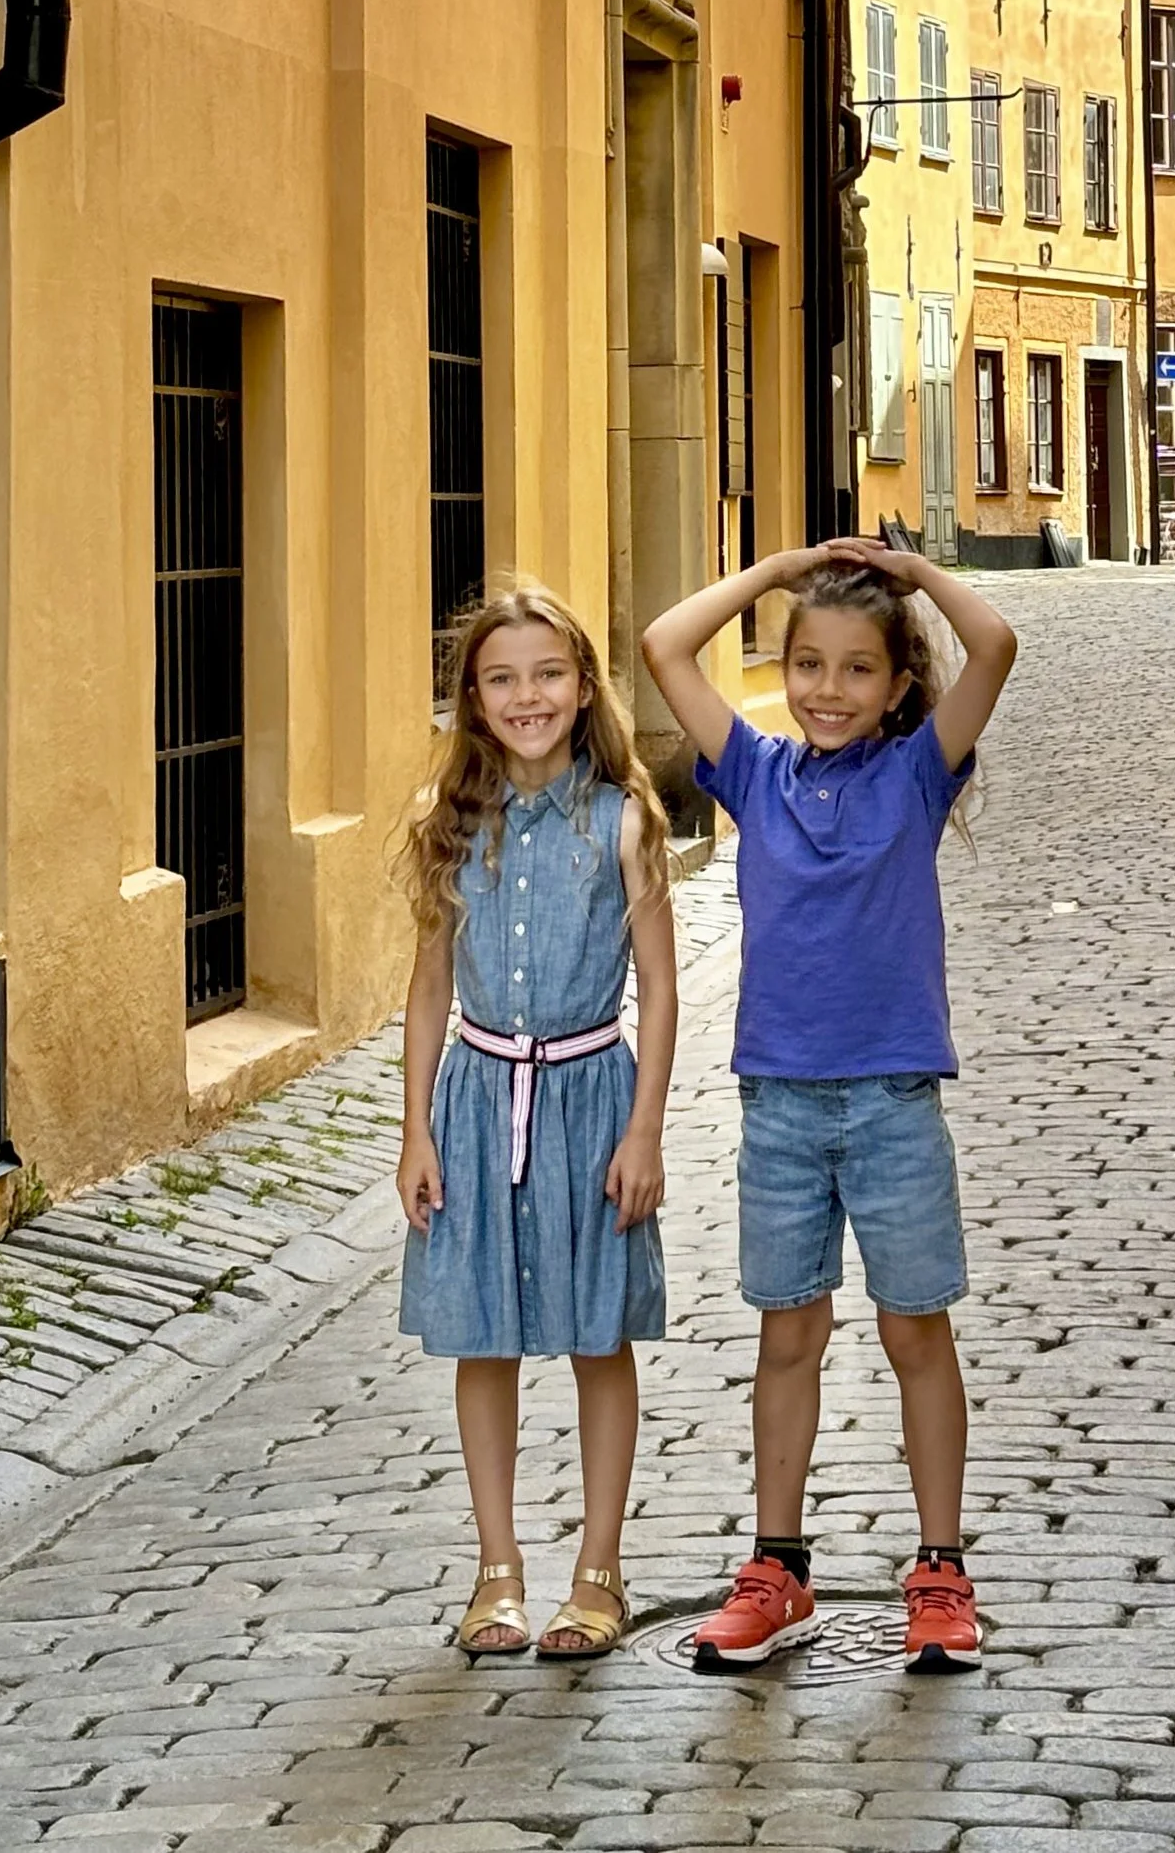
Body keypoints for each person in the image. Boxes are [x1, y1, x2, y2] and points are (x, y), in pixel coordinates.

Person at [640, 536, 1017, 1676]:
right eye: (807, 664)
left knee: (915, 1331)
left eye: (858, 669)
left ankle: (941, 1570)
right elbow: (662, 644)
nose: (828, 689)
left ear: (898, 685)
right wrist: (778, 570)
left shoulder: (915, 774)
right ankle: (777, 1567)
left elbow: (995, 643)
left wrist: (911, 579)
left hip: (895, 1098)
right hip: (783, 1105)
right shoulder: (753, 772)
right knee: (788, 1335)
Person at [396, 584, 677, 1665]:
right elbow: (427, 988)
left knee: (597, 1335)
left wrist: (644, 1129)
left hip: (591, 1095)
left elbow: (660, 983)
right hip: (477, 1102)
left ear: (583, 685)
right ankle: (496, 1570)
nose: (527, 697)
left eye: (548, 674)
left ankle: (598, 1569)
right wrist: (415, 1130)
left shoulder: (622, 820)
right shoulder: (449, 827)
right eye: (501, 678)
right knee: (485, 1335)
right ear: (471, 697)